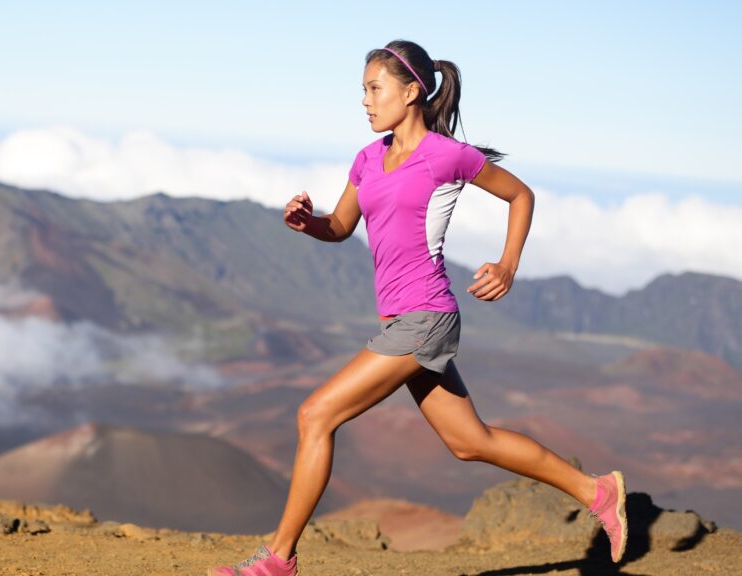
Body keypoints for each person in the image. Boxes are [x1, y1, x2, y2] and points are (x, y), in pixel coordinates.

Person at [207, 39, 628, 576]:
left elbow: (521, 196)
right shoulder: (367, 158)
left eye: (374, 88)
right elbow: (340, 227)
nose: (365, 100)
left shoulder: (446, 156)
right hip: (399, 322)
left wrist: (507, 265)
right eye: (362, 90)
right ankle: (597, 491)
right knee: (470, 442)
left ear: (411, 91)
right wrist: (307, 223)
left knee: (315, 415)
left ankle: (278, 560)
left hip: (426, 318)